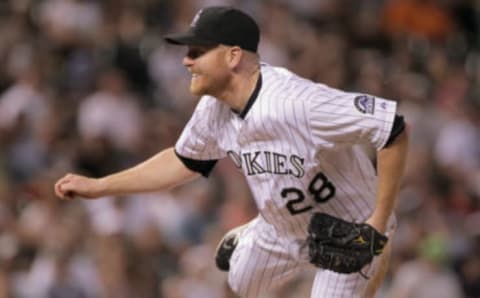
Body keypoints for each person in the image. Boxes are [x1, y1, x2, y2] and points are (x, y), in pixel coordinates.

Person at [55, 6, 409, 298]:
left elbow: (392, 126)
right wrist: (99, 186)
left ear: (233, 56)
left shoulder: (296, 103)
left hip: (349, 223)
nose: (186, 61)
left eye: (197, 52)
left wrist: (377, 222)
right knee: (238, 286)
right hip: (280, 226)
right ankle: (256, 227)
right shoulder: (214, 108)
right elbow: (182, 161)